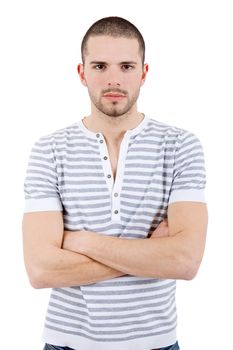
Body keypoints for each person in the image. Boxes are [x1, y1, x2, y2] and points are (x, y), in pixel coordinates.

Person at [22, 16, 208, 350]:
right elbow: (40, 269)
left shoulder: (181, 145)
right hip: (67, 343)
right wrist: (149, 255)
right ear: (82, 73)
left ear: (143, 73)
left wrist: (78, 241)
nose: (113, 79)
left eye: (125, 66)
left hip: (157, 343)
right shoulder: (48, 150)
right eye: (99, 66)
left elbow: (185, 261)